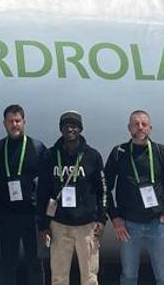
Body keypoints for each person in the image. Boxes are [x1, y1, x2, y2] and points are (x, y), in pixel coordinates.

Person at [104, 110, 164, 285]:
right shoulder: (119, 152)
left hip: (157, 224)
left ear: (150, 128)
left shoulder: (160, 151)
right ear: (129, 128)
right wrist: (115, 217)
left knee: (163, 275)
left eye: (144, 124)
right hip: (128, 226)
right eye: (136, 124)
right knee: (129, 276)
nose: (140, 127)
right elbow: (104, 188)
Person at [36, 110, 105, 285]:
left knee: (89, 277)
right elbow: (42, 191)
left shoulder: (92, 156)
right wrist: (43, 224)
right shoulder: (50, 156)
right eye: (66, 126)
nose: (70, 129)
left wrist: (102, 219)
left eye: (74, 126)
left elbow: (102, 190)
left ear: (80, 129)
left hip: (86, 225)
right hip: (59, 225)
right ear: (61, 129)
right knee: (59, 277)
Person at [0, 104, 46, 285]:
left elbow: (48, 181)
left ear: (24, 122)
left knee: (35, 261)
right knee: (8, 262)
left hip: (31, 215)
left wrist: (45, 214)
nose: (14, 125)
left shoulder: (37, 147)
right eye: (10, 121)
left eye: (18, 121)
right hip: (6, 215)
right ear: (4, 124)